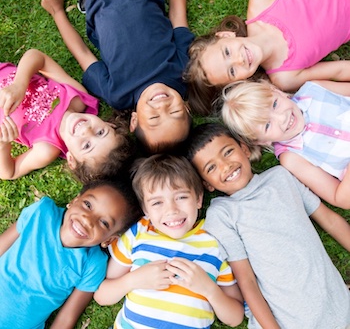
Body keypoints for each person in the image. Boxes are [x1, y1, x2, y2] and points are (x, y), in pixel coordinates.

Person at [185, 122, 350, 328]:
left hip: (341, 307)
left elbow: (330, 220)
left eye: (227, 152)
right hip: (290, 322)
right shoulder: (223, 213)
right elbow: (247, 282)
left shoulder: (281, 177)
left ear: (244, 149)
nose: (225, 166)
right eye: (211, 167)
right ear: (207, 184)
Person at [41, 0, 194, 153]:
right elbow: (178, 17)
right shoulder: (183, 71)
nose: (162, 106)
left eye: (153, 117)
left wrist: (57, 12)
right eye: (174, 113)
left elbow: (83, 54)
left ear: (134, 120)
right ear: (186, 108)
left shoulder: (117, 94)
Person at [93, 154, 245, 328]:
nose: (172, 210)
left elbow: (235, 318)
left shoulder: (214, 242)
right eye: (157, 203)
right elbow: (102, 295)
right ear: (146, 210)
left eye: (181, 197)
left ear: (198, 199)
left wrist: (209, 289)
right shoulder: (139, 233)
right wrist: (133, 280)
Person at [184, 0, 350, 115]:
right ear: (242, 82)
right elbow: (339, 70)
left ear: (225, 35)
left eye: (227, 52)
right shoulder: (285, 77)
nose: (238, 59)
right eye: (232, 71)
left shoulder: (259, 5)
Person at [0, 178, 143, 329]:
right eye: (88, 205)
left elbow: (67, 316)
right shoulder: (42, 212)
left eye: (104, 223)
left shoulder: (93, 263)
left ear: (108, 240)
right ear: (75, 200)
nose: (88, 220)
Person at [0, 48, 133, 183]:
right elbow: (38, 57)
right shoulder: (77, 98)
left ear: (71, 159)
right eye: (100, 132)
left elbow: (10, 172)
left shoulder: (46, 148)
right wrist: (19, 84)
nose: (87, 130)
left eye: (86, 146)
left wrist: (3, 145)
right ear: (110, 124)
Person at [221, 78, 350, 209]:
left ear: (277, 91)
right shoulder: (292, 157)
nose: (282, 118)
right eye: (267, 125)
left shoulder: (314, 89)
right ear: (261, 141)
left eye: (275, 104)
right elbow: (341, 198)